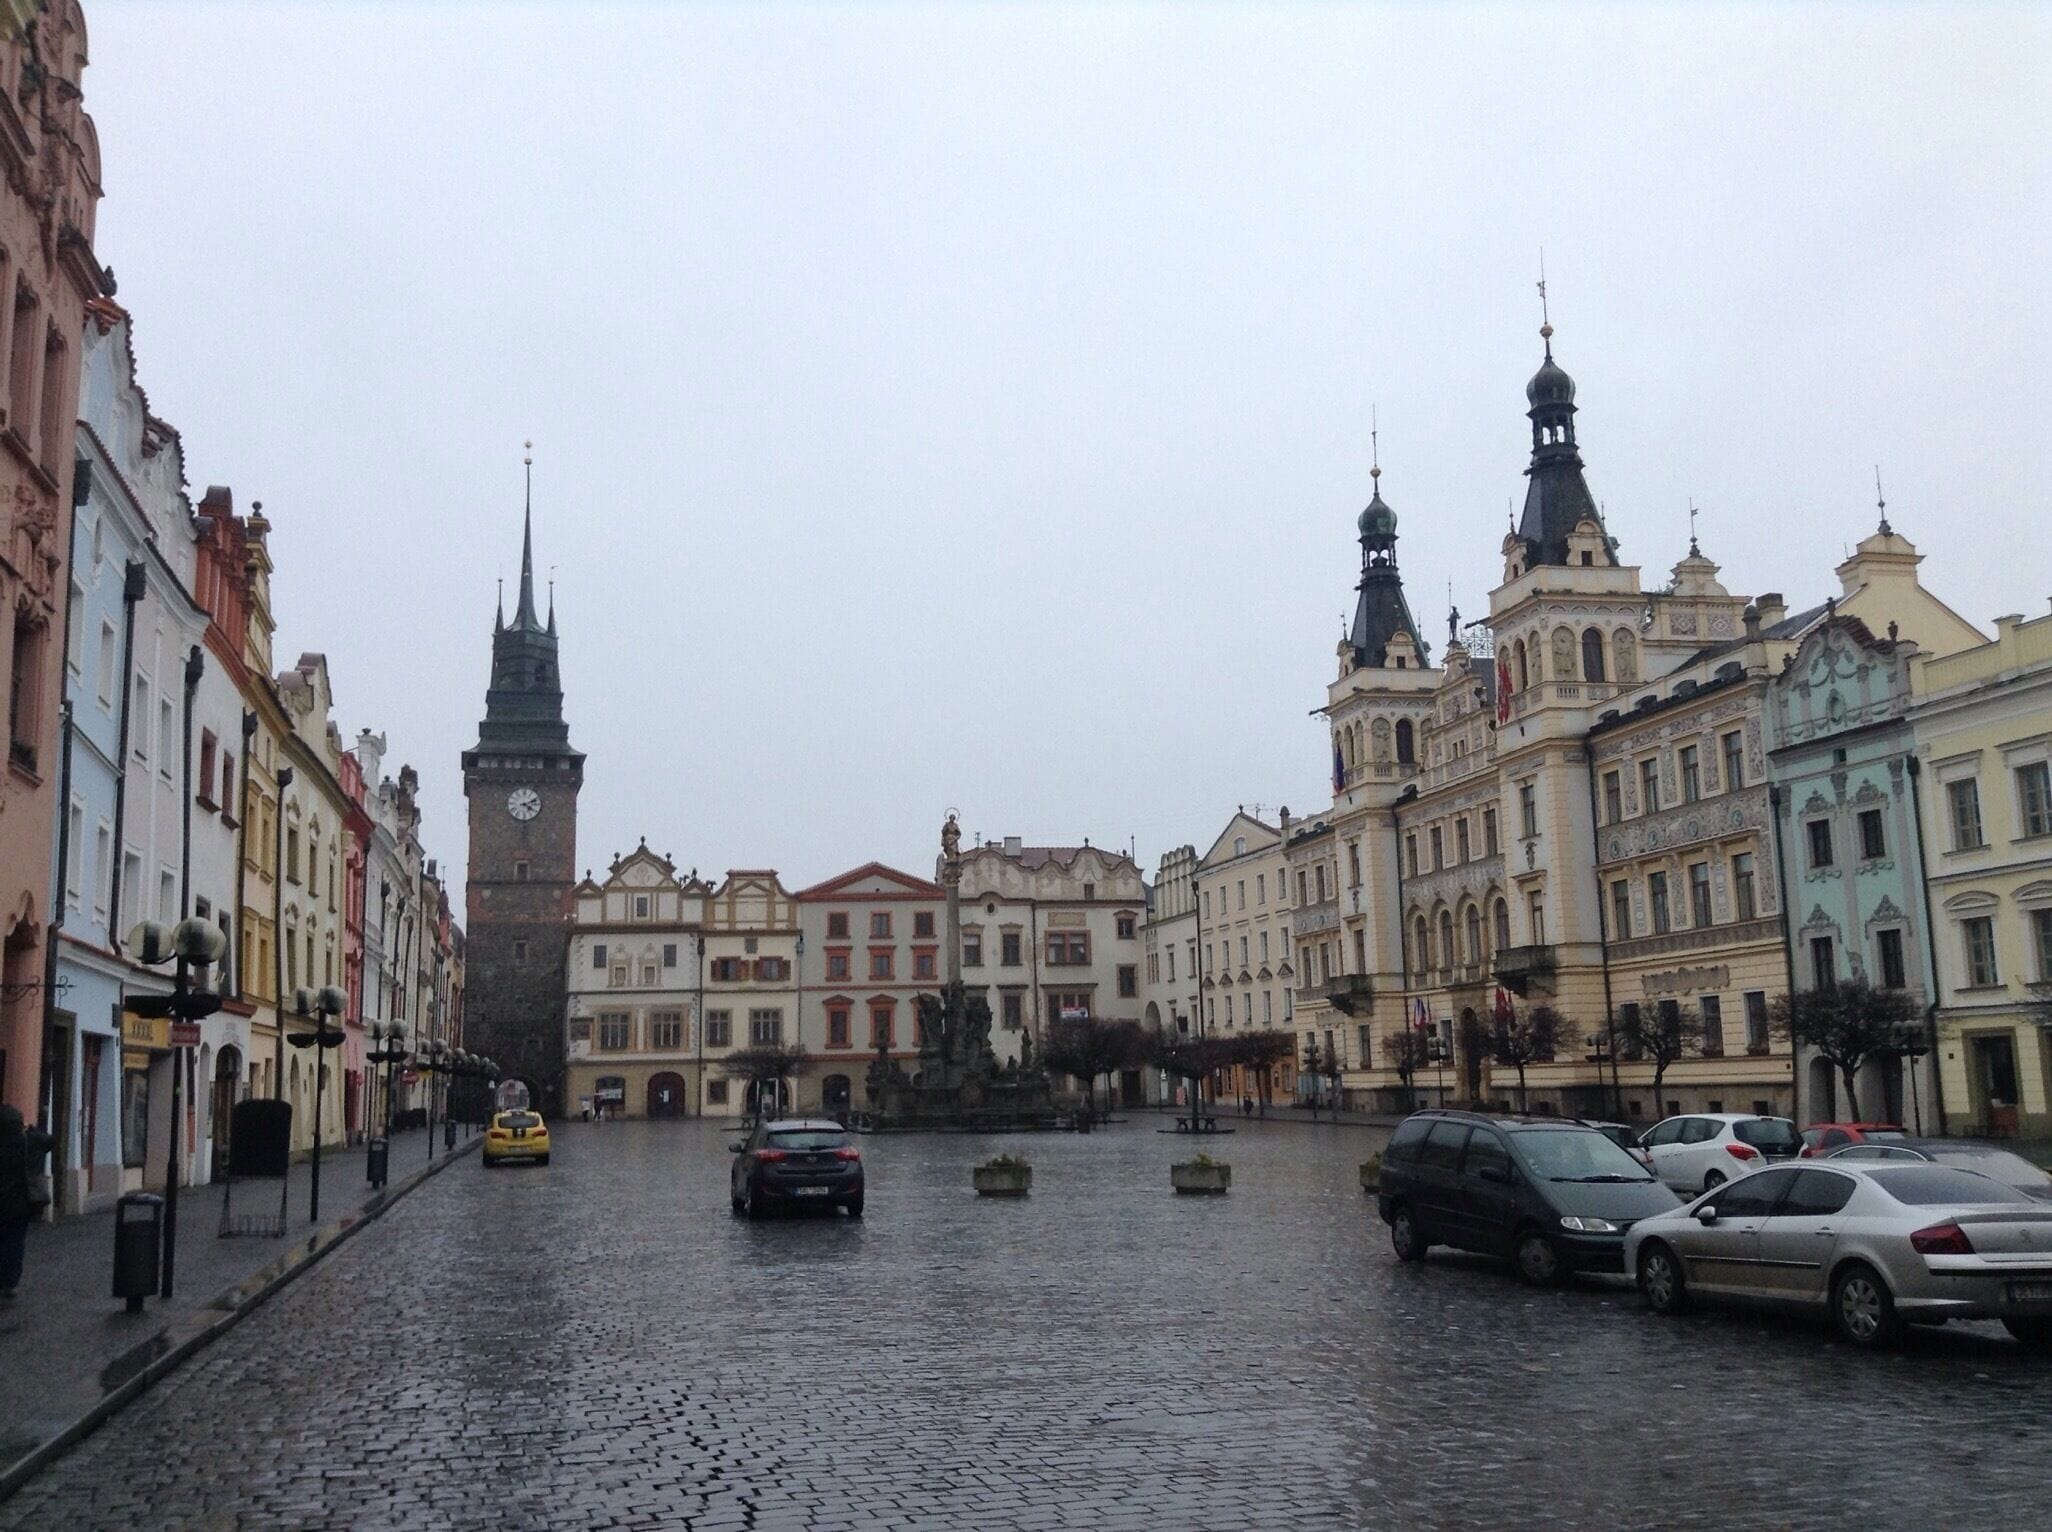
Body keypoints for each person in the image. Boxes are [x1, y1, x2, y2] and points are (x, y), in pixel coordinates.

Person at [1, 1104, 54, 1299]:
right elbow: (49, 1141)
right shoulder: (28, 1140)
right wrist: (31, 1128)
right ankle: (10, 1282)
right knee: (14, 1241)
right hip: (20, 1200)